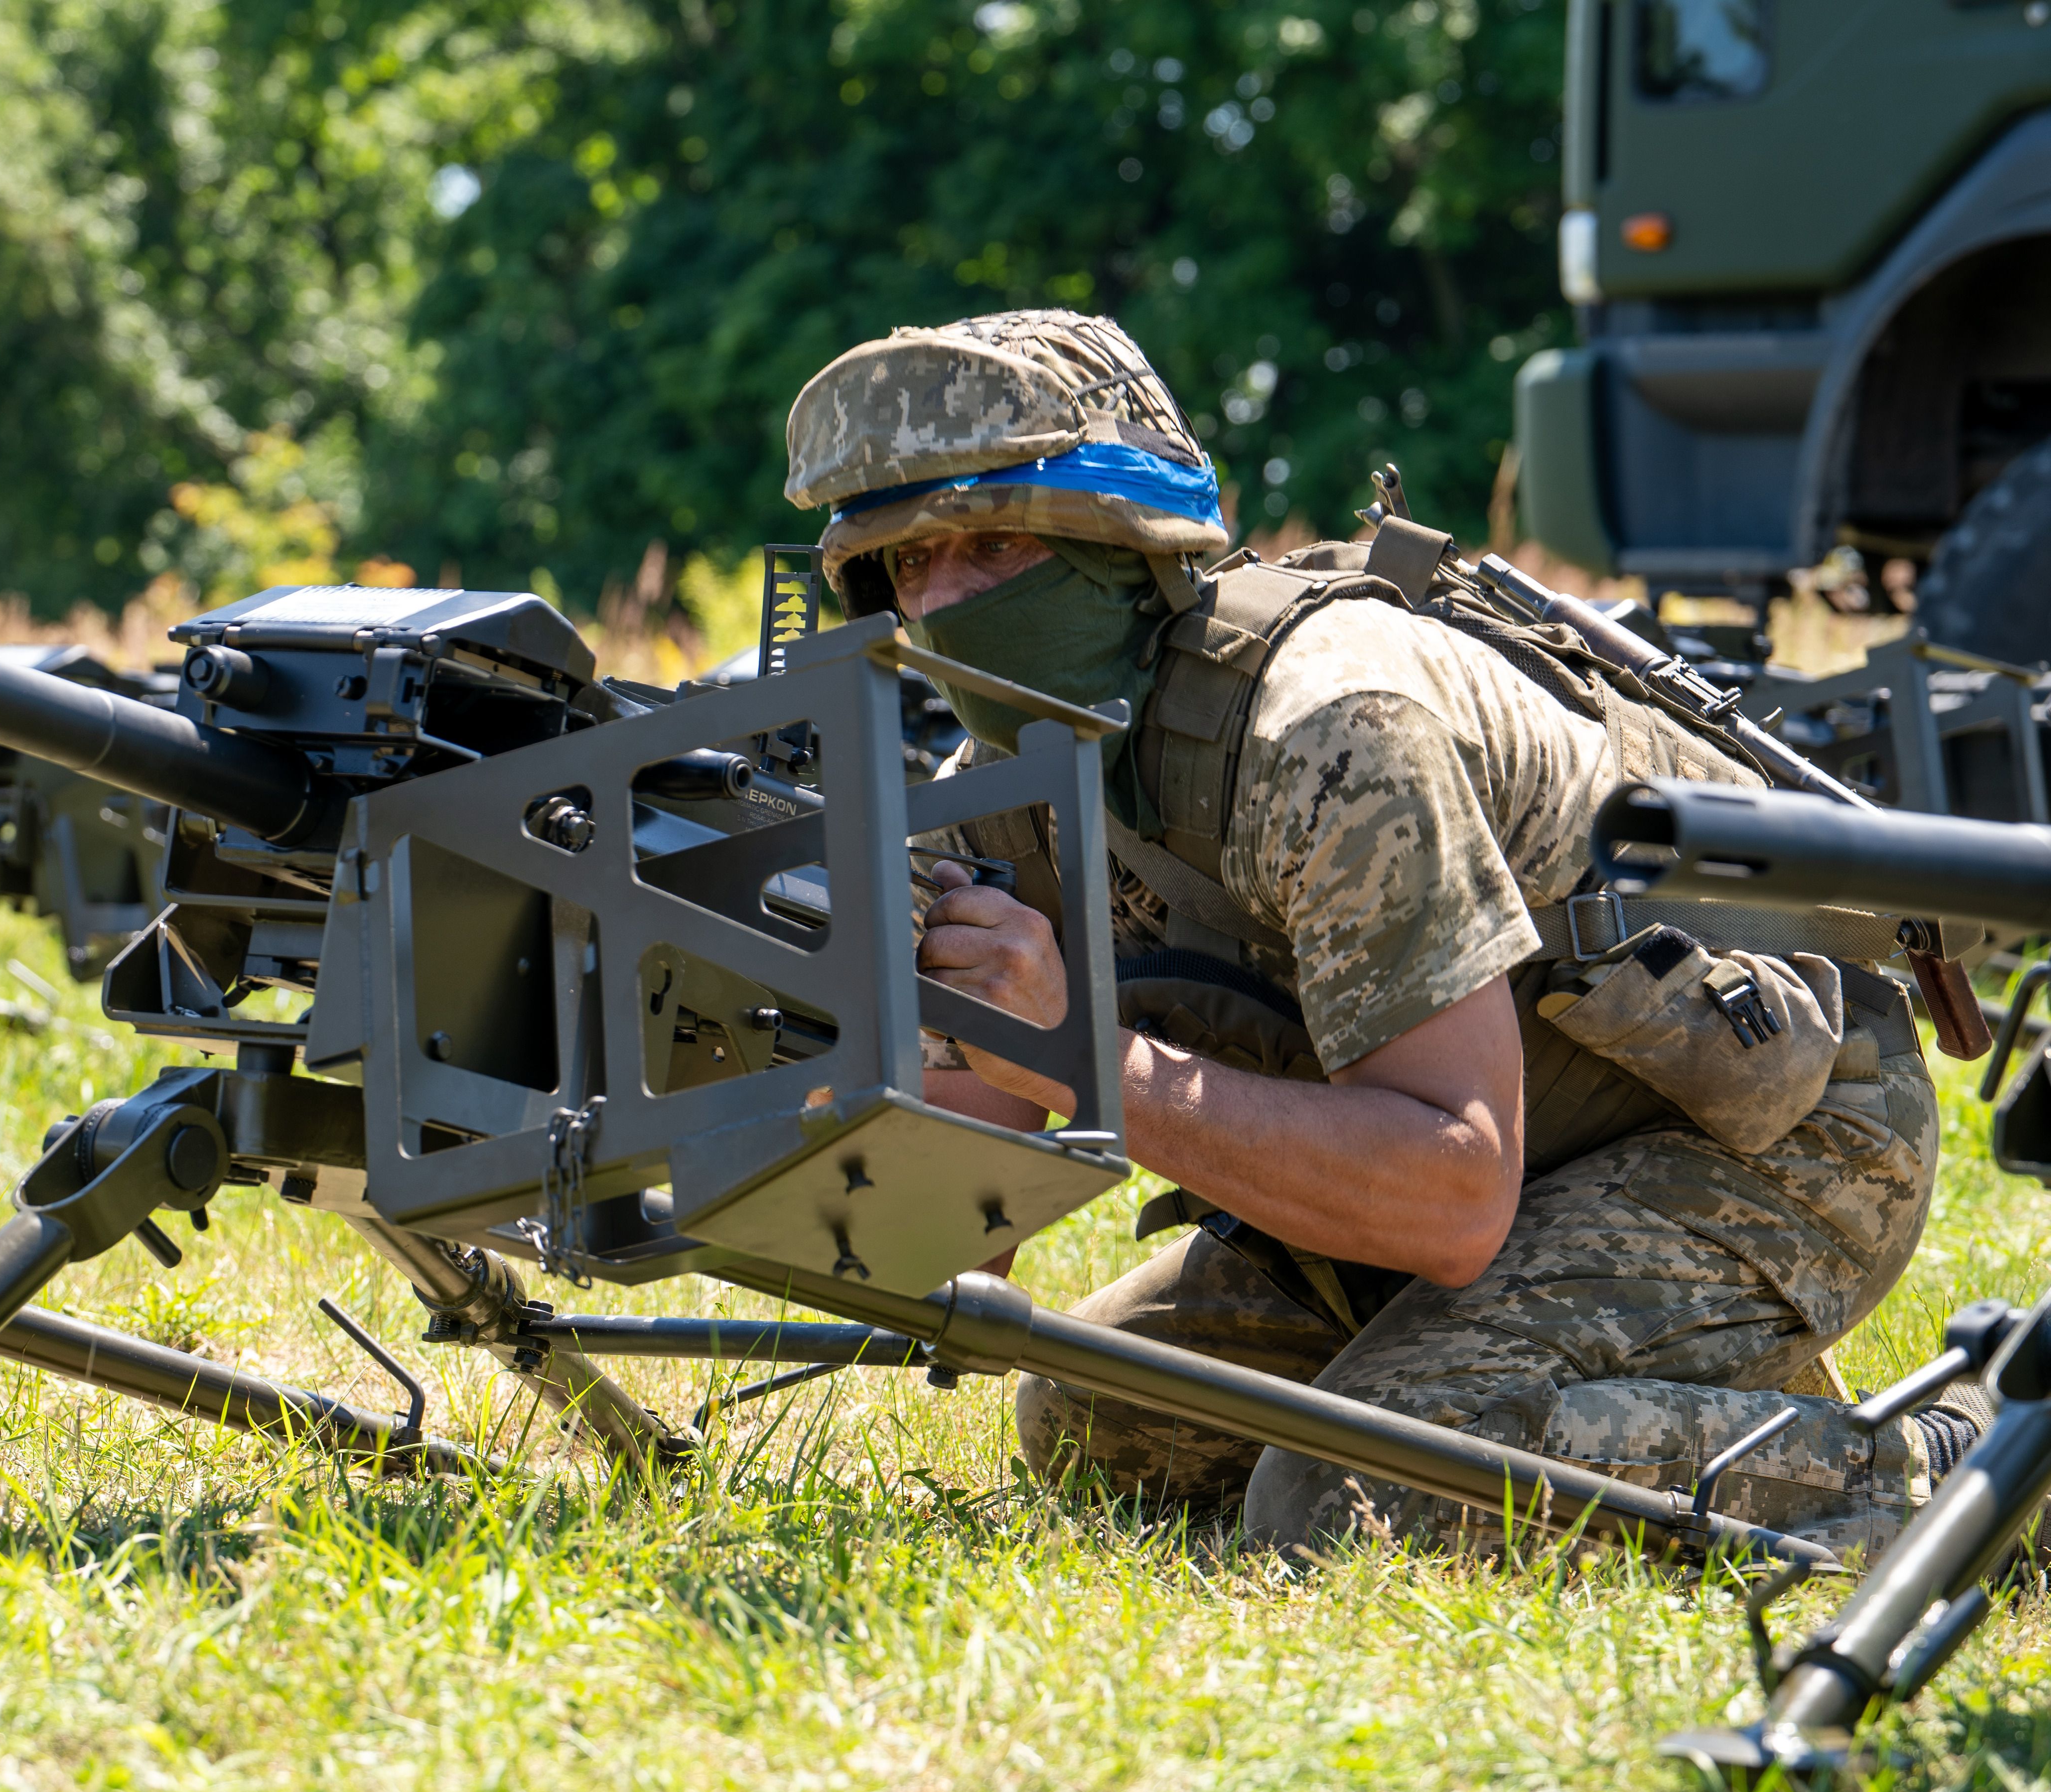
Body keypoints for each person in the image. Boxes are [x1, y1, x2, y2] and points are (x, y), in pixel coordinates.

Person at [783, 308, 1973, 1559]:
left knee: (1347, 1500)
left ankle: (1948, 1469)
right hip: (1520, 1149)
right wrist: (747, 1095)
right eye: (907, 563)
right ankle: (1660, 1382)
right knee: (1097, 1421)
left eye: (993, 541)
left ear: (1115, 543)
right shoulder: (1012, 776)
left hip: (1769, 1130)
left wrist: (1086, 1059)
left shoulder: (1332, 729)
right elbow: (964, 1183)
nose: (945, 595)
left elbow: (1450, 1194)